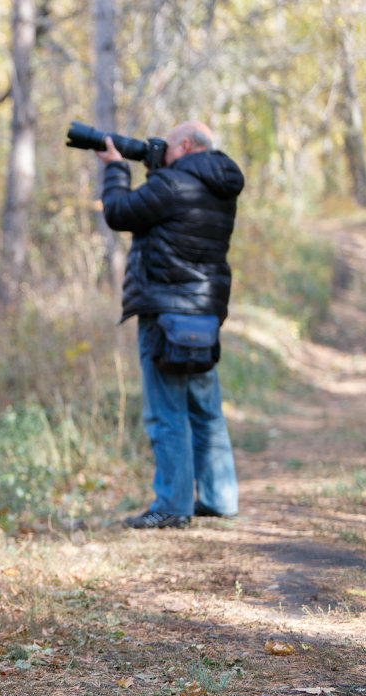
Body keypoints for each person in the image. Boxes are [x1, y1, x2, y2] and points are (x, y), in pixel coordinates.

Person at [97, 121, 243, 529]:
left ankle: (172, 506)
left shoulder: (172, 185)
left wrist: (115, 167)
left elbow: (119, 212)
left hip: (164, 312)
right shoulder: (221, 187)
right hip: (205, 314)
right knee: (205, 409)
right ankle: (219, 498)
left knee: (166, 412)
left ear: (184, 144)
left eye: (169, 144)